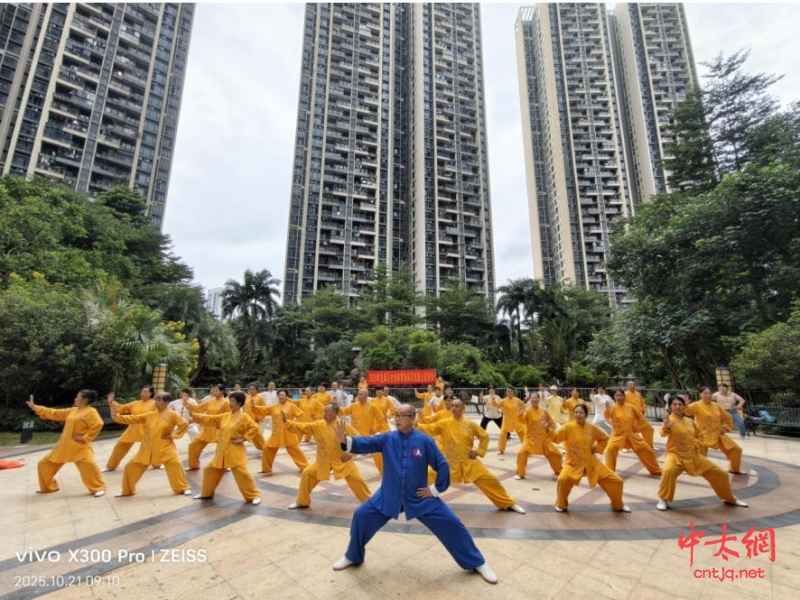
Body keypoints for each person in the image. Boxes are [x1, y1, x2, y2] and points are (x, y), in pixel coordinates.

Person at [331, 404, 499, 584]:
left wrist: (435, 490)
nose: (397, 418)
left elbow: (442, 465)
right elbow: (366, 443)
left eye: (402, 415)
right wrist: (345, 441)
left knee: (452, 523)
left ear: (412, 419)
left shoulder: (425, 441)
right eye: (396, 415)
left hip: (420, 497)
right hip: (389, 494)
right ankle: (353, 556)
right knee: (361, 516)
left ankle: (477, 562)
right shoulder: (387, 438)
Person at [418, 399, 525, 513]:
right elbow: (429, 429)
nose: (453, 408)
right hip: (449, 462)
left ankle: (507, 503)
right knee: (429, 473)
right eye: (452, 406)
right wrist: (416, 425)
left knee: (490, 480)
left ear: (464, 409)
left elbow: (484, 436)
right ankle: (421, 501)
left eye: (457, 406)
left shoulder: (470, 424)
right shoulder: (444, 423)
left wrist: (478, 451)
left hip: (468, 460)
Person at [657, 395, 748, 511]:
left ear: (684, 406)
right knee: (668, 472)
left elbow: (699, 435)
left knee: (720, 474)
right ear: (670, 406)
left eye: (680, 404)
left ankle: (729, 498)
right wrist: (666, 427)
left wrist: (696, 444)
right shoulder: (669, 420)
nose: (678, 407)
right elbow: (662, 433)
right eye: (674, 404)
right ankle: (663, 499)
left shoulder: (689, 421)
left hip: (692, 455)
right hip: (675, 455)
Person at [282, 403, 371, 508]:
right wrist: (287, 422)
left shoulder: (342, 425)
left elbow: (358, 439)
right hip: (323, 461)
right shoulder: (318, 425)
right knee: (307, 474)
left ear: (334, 413)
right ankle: (302, 501)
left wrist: (350, 454)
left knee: (358, 480)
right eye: (324, 411)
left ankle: (370, 504)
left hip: (342, 461)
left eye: (326, 411)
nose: (323, 413)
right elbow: (303, 426)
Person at [549, 404, 630, 513]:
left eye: (581, 413)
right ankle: (561, 504)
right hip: (573, 463)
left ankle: (618, 505)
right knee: (562, 480)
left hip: (592, 462)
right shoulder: (568, 427)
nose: (578, 415)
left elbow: (604, 438)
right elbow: (556, 437)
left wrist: (596, 448)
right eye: (576, 412)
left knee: (617, 481)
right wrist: (547, 430)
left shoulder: (591, 428)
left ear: (586, 415)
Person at [26, 391, 107, 497]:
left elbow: (98, 424)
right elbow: (55, 413)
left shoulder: (91, 411)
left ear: (85, 400)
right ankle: (49, 487)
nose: (75, 399)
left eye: (77, 397)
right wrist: (36, 407)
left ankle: (99, 488)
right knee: (43, 464)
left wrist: (85, 437)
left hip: (80, 447)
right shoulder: (73, 410)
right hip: (64, 446)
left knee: (89, 465)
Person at [111, 392, 192, 497]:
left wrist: (173, 435)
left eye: (159, 400)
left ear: (166, 402)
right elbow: (134, 418)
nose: (156, 403)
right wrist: (116, 416)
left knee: (175, 464)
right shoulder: (150, 414)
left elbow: (184, 424)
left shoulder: (172, 414)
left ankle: (182, 488)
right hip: (147, 448)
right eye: (156, 400)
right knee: (130, 467)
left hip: (165, 447)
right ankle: (127, 490)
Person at [189, 390, 261, 505]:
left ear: (239, 403)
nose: (230, 403)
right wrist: (195, 415)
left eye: (232, 401)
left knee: (243, 474)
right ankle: (206, 493)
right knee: (209, 470)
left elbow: (254, 428)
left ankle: (253, 495)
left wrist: (243, 438)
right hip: (221, 452)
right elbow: (210, 419)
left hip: (235, 451)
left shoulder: (244, 417)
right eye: (230, 401)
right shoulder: (225, 416)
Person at [684, 386, 746, 475]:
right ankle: (693, 468)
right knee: (698, 454)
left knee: (736, 449)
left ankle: (734, 468)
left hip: (717, 433)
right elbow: (687, 411)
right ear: (700, 395)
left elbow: (728, 417)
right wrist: (685, 405)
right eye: (705, 393)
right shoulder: (696, 405)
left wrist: (725, 428)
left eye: (709, 393)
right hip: (702, 435)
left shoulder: (716, 406)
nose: (708, 395)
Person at [603, 389, 662, 476]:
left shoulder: (631, 407)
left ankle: (656, 470)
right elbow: (607, 416)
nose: (619, 397)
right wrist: (607, 410)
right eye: (617, 395)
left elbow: (641, 419)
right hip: (618, 435)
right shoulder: (613, 408)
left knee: (647, 450)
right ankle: (610, 472)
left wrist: (638, 428)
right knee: (610, 449)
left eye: (621, 395)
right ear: (614, 397)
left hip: (632, 435)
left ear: (624, 397)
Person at [251, 389, 309, 475]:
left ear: (286, 396)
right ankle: (266, 469)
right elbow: (264, 410)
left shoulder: (291, 406)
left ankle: (305, 467)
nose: (281, 396)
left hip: (288, 433)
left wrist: (294, 424)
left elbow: (301, 415)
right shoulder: (274, 407)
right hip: (276, 433)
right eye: (279, 395)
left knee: (296, 451)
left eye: (283, 395)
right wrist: (254, 407)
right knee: (267, 449)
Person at [103, 386, 156, 472]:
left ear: (151, 393)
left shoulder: (155, 404)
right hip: (132, 428)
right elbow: (122, 408)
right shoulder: (135, 403)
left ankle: (156, 464)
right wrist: (112, 402)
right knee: (120, 445)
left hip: (147, 429)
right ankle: (111, 466)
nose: (142, 394)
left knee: (150, 448)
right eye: (142, 392)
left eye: (145, 392)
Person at [515, 393, 562, 479]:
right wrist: (520, 414)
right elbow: (522, 421)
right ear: (530, 400)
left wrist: (550, 426)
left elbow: (551, 423)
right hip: (531, 439)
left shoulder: (544, 411)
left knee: (557, 454)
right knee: (521, 452)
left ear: (539, 399)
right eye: (532, 398)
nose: (534, 399)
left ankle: (558, 470)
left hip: (544, 439)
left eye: (536, 398)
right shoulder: (527, 411)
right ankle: (520, 473)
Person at [186, 384, 231, 471]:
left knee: (223, 447)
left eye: (216, 390)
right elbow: (198, 408)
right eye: (214, 390)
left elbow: (228, 417)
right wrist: (187, 403)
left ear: (222, 392)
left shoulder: (226, 403)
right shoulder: (210, 401)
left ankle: (225, 465)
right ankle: (193, 465)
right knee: (193, 445)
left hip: (219, 429)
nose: (214, 392)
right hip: (207, 429)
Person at [340, 389, 382, 473]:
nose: (359, 395)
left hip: (368, 436)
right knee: (347, 453)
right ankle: (339, 467)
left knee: (377, 453)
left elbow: (381, 418)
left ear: (366, 396)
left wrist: (376, 428)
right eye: (358, 394)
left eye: (361, 394)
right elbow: (344, 411)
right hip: (355, 436)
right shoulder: (353, 406)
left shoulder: (372, 407)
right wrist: (336, 408)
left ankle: (383, 470)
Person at [491, 388, 525, 455]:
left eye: (511, 391)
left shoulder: (517, 400)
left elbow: (523, 406)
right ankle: (501, 449)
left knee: (522, 434)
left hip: (517, 420)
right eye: (508, 391)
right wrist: (493, 399)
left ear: (513, 392)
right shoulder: (503, 401)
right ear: (506, 393)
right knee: (502, 434)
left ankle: (526, 449)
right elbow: (496, 405)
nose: (509, 392)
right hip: (506, 420)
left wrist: (521, 412)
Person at [625, 380, 654, 449]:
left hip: (640, 416)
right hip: (631, 417)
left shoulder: (638, 394)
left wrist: (643, 409)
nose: (632, 386)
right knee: (631, 432)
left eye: (633, 384)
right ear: (627, 386)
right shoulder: (625, 394)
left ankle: (648, 445)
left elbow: (643, 403)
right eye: (630, 385)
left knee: (649, 429)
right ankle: (627, 446)